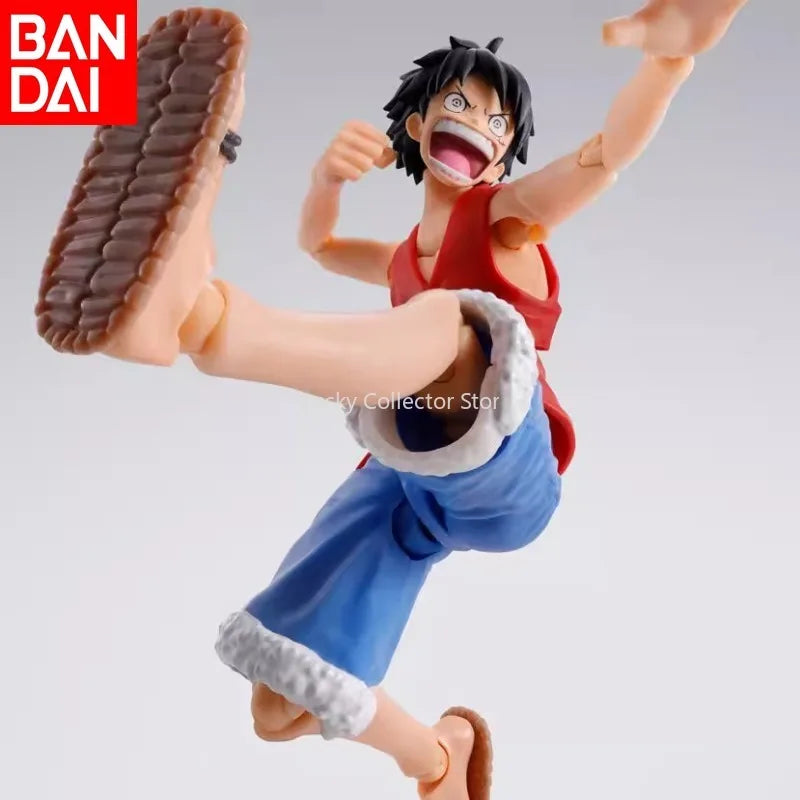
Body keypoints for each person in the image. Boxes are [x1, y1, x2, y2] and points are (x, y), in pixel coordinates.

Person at [35, 2, 750, 797]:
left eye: (497, 120)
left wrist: (668, 65)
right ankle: (439, 761)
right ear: (416, 125)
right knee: (281, 699)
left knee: (449, 325)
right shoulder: (405, 255)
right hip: (406, 488)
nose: (476, 123)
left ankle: (196, 317)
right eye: (458, 104)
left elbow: (606, 155)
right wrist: (326, 180)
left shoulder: (504, 221)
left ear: (505, 151)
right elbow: (319, 246)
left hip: (510, 468)